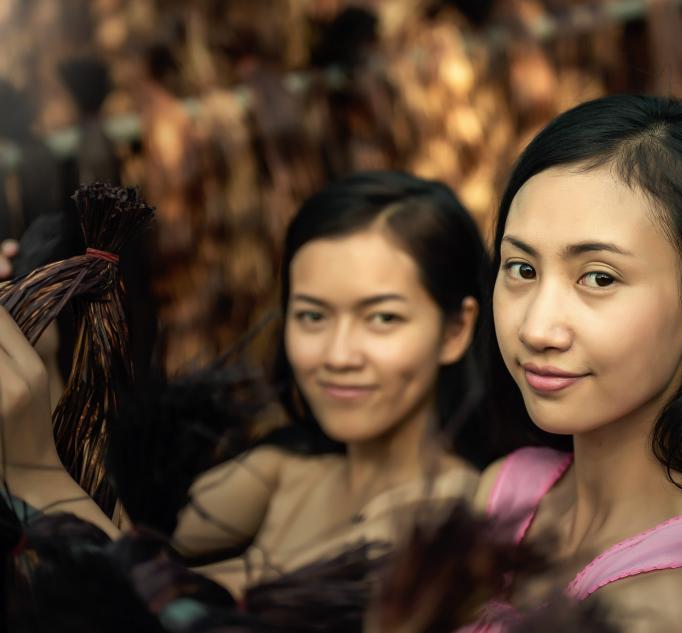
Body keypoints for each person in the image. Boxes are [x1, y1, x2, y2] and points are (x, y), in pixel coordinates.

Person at [0, 171, 490, 597]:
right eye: (313, 315)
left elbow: (157, 613)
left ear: (455, 330)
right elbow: (132, 545)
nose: (339, 355)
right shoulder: (290, 469)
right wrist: (38, 358)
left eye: (382, 318)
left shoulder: (440, 518)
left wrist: (32, 466)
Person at [470, 95, 682, 632]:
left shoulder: (681, 599)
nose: (535, 328)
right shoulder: (506, 494)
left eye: (599, 277)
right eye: (521, 268)